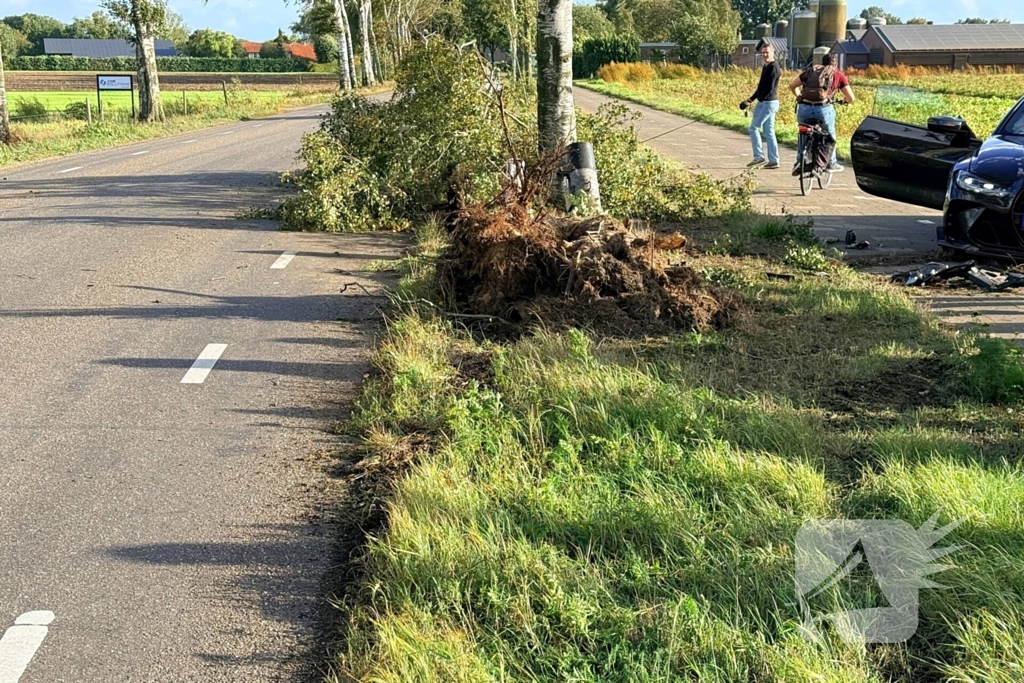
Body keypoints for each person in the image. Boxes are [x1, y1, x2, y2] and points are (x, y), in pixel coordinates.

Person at [788, 54, 855, 173]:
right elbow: (851, 97)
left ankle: (799, 161)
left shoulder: (810, 72)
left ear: (822, 63)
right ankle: (831, 163)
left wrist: (799, 96)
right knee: (830, 135)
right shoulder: (838, 74)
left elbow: (792, 86)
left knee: (803, 133)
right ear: (835, 64)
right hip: (822, 110)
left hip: (804, 108)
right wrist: (845, 101)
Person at [742, 43, 782, 170]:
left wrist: (758, 99)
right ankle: (774, 160)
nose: (764, 55)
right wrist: (750, 100)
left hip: (768, 103)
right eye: (763, 53)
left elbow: (769, 89)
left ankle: (759, 156)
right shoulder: (766, 66)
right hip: (766, 102)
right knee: (769, 132)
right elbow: (760, 87)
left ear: (772, 52)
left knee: (753, 128)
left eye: (767, 52)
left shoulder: (774, 68)